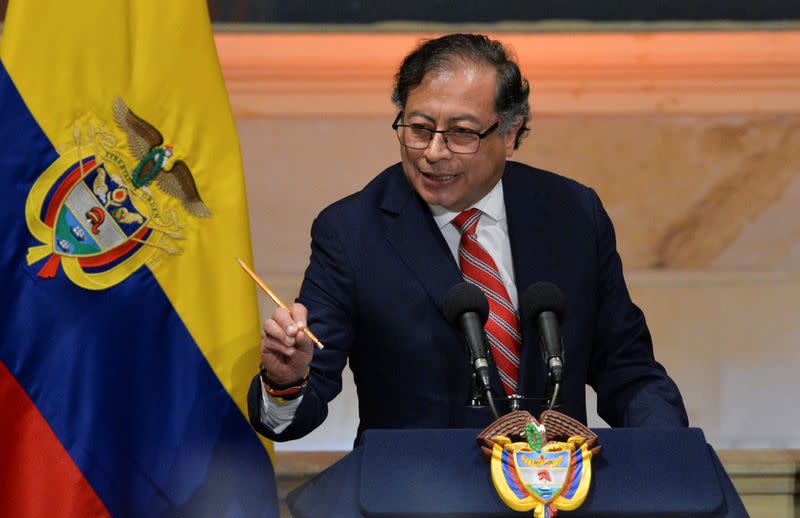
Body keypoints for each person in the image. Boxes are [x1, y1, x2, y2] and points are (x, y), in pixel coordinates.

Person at [248, 33, 688, 445]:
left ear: (510, 133)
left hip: (556, 499)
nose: (435, 152)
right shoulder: (351, 232)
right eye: (419, 128)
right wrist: (285, 381)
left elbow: (627, 370)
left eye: (461, 133)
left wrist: (670, 456)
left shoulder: (572, 213)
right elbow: (296, 410)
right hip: (417, 507)